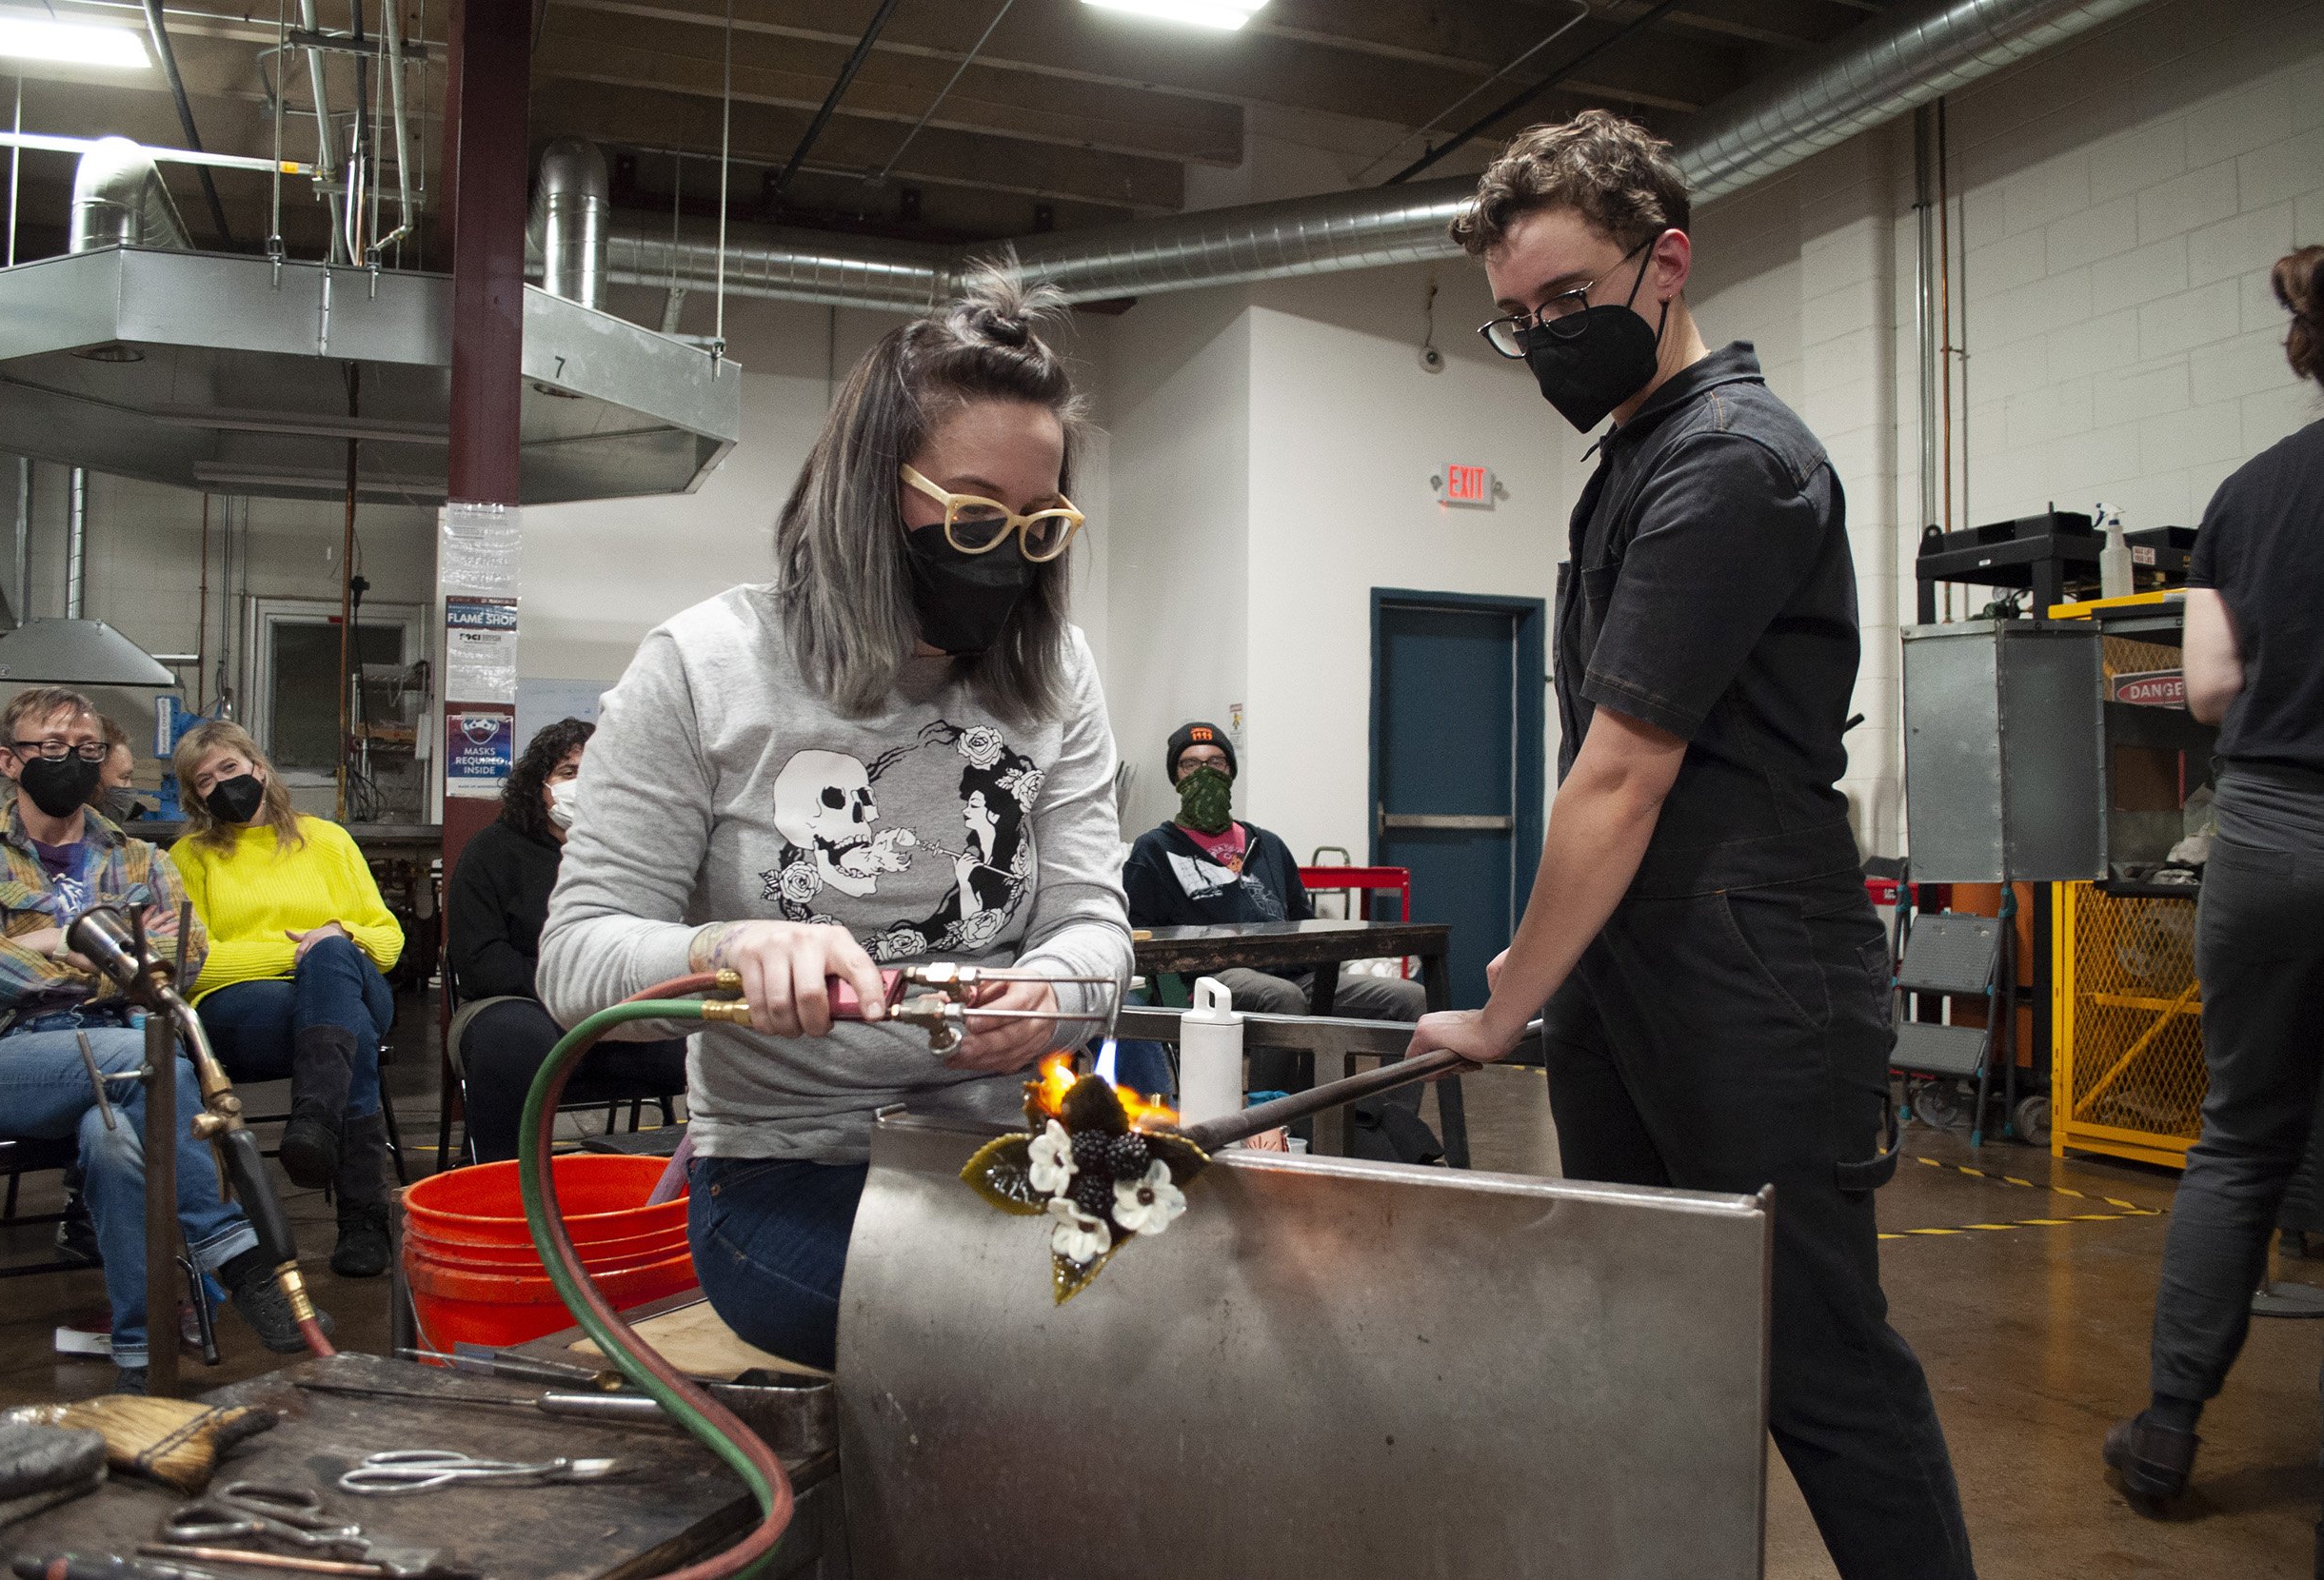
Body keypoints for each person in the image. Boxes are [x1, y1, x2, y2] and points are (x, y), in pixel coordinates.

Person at [1404, 113, 1974, 1578]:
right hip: (1643, 963)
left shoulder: (1734, 461)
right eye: (1518, 318)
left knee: (1816, 1367)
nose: (1543, 341)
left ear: (1668, 262)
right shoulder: (1641, 458)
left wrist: (1507, 997)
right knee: (1643, 1337)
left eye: (1570, 303)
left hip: (1752, 965)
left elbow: (1619, 773)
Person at [540, 270, 1133, 1372]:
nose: (1002, 550)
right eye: (966, 513)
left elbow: (1096, 925)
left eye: (1036, 524)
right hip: (789, 1169)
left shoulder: (1056, 674)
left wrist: (1056, 991)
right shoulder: (704, 668)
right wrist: (724, 952)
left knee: (1226, 1306)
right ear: (867, 491)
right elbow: (577, 964)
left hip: (1019, 1134)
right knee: (1015, 1340)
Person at [2105, 245, 2324, 1512]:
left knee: (2240, 1142)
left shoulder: (2248, 496)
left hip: (2271, 830)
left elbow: (2203, 692)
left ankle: (2169, 1432)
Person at [0, 688, 328, 1392]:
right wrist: (106, 962)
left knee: (116, 1142)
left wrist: (53, 945)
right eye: (52, 749)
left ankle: (139, 1365)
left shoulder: (138, 856)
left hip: (113, 1057)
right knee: (152, 1061)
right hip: (4, 1061)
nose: (73, 763)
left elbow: (183, 956)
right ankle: (232, 1251)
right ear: (8, 759)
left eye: (88, 751)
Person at [169, 721, 403, 1279]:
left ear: (259, 767)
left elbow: (388, 940)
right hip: (242, 1011)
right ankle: (362, 1216)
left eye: (230, 768)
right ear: (194, 796)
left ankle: (316, 1119)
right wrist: (303, 951)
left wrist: (334, 945)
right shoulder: (189, 857)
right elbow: (195, 962)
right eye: (205, 780)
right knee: (350, 1025)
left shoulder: (328, 839)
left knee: (334, 959)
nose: (223, 784)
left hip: (351, 979)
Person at [448, 717, 686, 1163]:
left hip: (612, 1007)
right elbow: (480, 962)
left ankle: (678, 1188)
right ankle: (500, 1180)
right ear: (539, 786)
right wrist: (569, 991)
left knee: (702, 1034)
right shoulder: (491, 851)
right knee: (513, 1038)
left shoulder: (629, 856)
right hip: (513, 1004)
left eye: (596, 770)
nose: (584, 783)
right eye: (569, 772)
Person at [1122, 721, 1425, 1023]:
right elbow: (1140, 937)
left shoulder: (1267, 845)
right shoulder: (1156, 849)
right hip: (1212, 980)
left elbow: (1303, 923)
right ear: (1176, 776)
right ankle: (1281, 1073)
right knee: (1282, 998)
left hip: (1293, 972)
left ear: (1229, 771)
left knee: (1411, 998)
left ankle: (1397, 1074)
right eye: (1190, 764)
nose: (1205, 772)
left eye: (1215, 762)